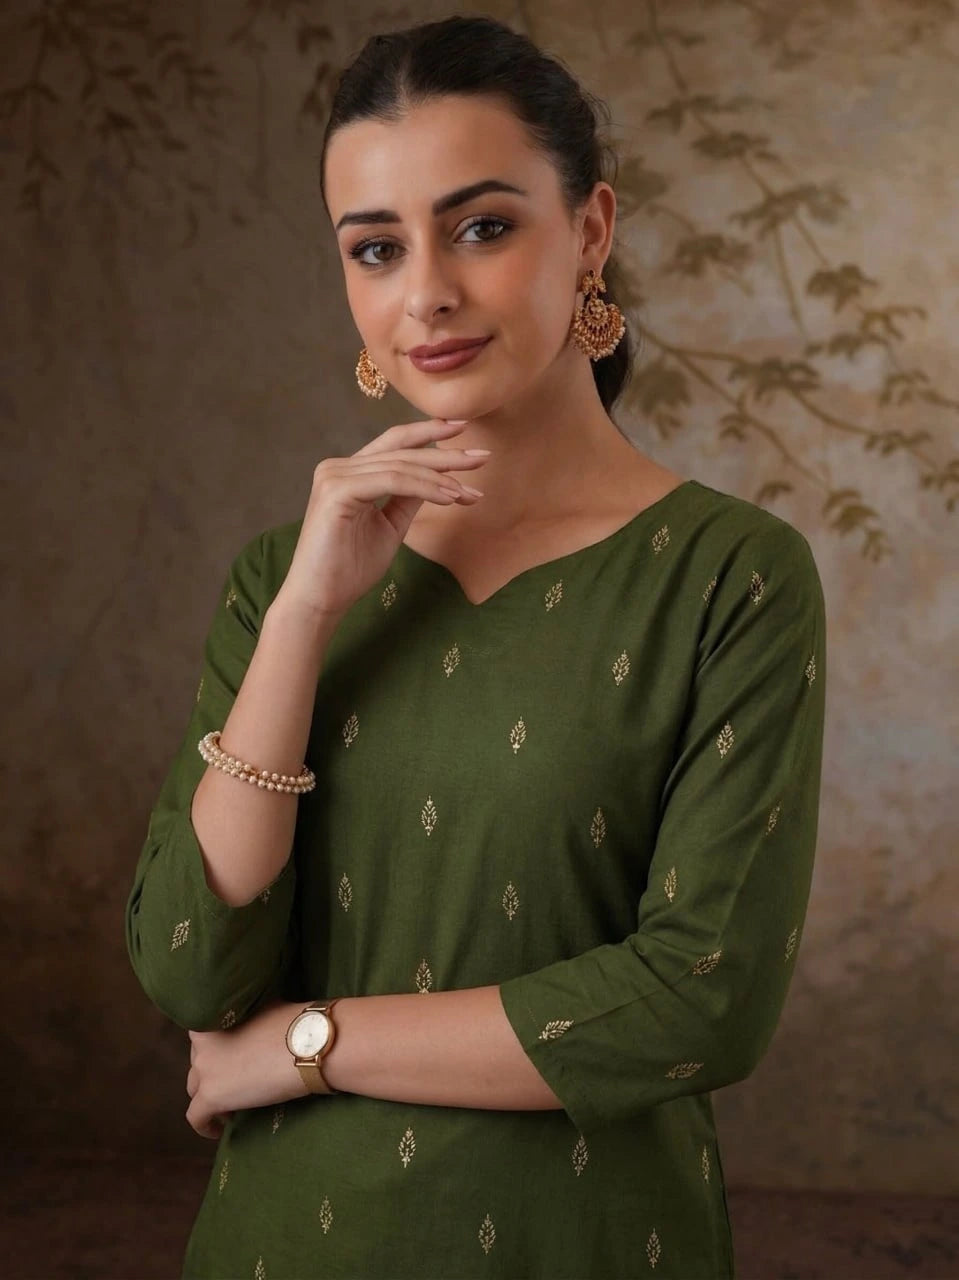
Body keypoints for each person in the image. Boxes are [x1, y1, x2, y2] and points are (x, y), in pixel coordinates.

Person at [124, 14, 827, 1280]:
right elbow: (188, 964)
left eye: (483, 226)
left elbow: (701, 997)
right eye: (376, 248)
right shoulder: (283, 582)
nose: (426, 291)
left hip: (592, 1238)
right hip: (283, 1243)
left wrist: (307, 1043)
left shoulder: (730, 578)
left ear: (591, 231)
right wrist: (302, 616)